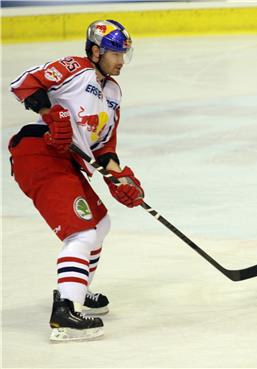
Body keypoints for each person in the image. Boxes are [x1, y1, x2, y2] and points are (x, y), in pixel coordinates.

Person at [8, 20, 144, 341]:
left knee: (101, 224)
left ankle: (78, 290)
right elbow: (24, 83)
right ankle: (65, 310)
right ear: (95, 51)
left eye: (124, 54)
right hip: (38, 152)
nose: (121, 61)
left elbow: (103, 148)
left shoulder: (112, 93)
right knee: (82, 230)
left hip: (70, 161)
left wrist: (119, 178)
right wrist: (48, 113)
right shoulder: (75, 68)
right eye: (114, 54)